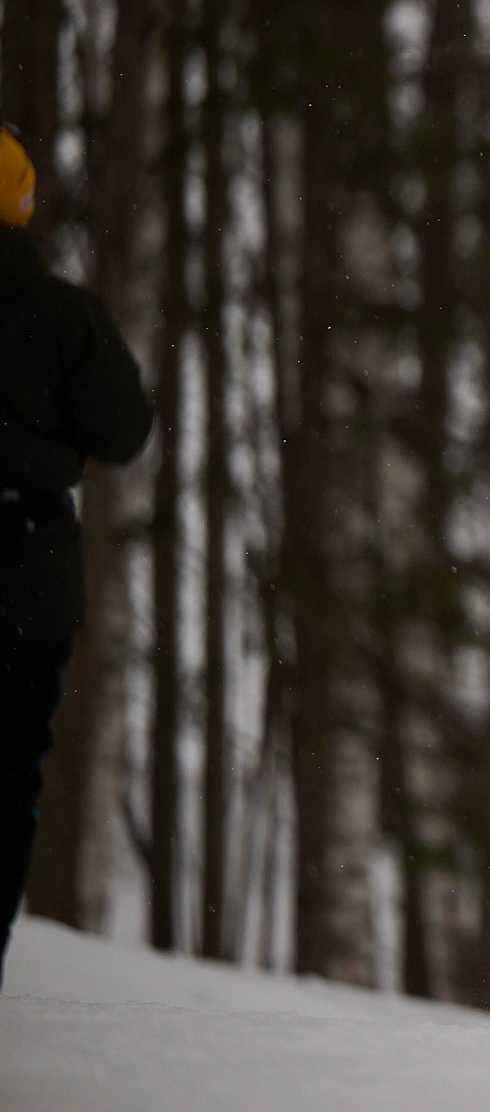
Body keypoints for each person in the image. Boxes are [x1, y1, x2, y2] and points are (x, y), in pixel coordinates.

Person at [0, 121, 155, 988]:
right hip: (25, 583)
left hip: (29, 577)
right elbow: (125, 430)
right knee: (8, 778)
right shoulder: (63, 316)